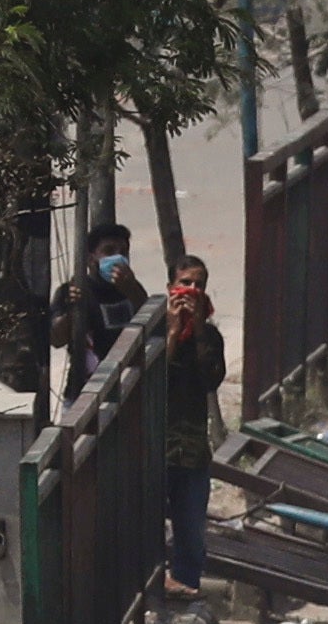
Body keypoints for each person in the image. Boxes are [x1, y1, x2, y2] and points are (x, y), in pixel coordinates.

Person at [153, 259, 225, 595]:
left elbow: (210, 378)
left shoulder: (209, 336)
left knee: (191, 537)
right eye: (185, 283)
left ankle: (186, 591)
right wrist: (171, 332)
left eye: (199, 285)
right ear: (171, 288)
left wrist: (196, 330)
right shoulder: (154, 330)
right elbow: (153, 381)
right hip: (157, 450)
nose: (192, 291)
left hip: (192, 452)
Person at [53, 220, 149, 396]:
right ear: (91, 258)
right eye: (109, 251)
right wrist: (71, 311)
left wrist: (132, 290)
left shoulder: (132, 289)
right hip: (85, 390)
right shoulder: (75, 290)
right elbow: (57, 339)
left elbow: (151, 323)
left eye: (123, 252)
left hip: (129, 389)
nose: (118, 257)